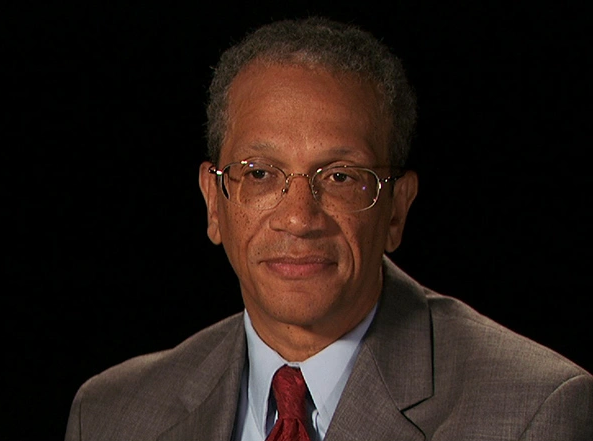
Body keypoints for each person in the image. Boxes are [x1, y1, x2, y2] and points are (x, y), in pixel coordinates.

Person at [65, 16, 593, 441]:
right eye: (260, 174)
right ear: (213, 201)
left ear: (395, 211)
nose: (298, 217)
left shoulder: (533, 412)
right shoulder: (111, 414)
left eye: (341, 177)